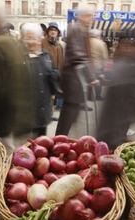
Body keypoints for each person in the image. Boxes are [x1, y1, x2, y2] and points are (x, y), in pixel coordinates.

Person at [0, 14, 35, 151]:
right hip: (16, 110)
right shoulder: (14, 43)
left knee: (7, 149)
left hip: (5, 110)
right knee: (18, 149)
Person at [55, 6, 98, 136]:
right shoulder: (76, 29)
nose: (92, 18)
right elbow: (78, 55)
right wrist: (91, 76)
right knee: (68, 114)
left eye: (92, 15)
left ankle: (65, 140)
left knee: (71, 113)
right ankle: (59, 140)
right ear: (81, 16)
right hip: (74, 79)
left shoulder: (81, 29)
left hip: (76, 79)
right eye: (89, 15)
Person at [21, 23, 59, 137]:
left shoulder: (46, 57)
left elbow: (53, 81)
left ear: (39, 39)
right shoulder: (18, 58)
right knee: (25, 147)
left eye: (33, 38)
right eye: (27, 38)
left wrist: (55, 76)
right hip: (25, 113)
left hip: (43, 111)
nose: (30, 42)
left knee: (41, 144)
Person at [89, 29, 108, 100]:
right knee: (98, 81)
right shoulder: (101, 43)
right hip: (97, 66)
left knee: (89, 80)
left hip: (88, 66)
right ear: (98, 35)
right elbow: (104, 57)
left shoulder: (86, 42)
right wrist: (104, 68)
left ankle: (89, 96)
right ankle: (98, 96)